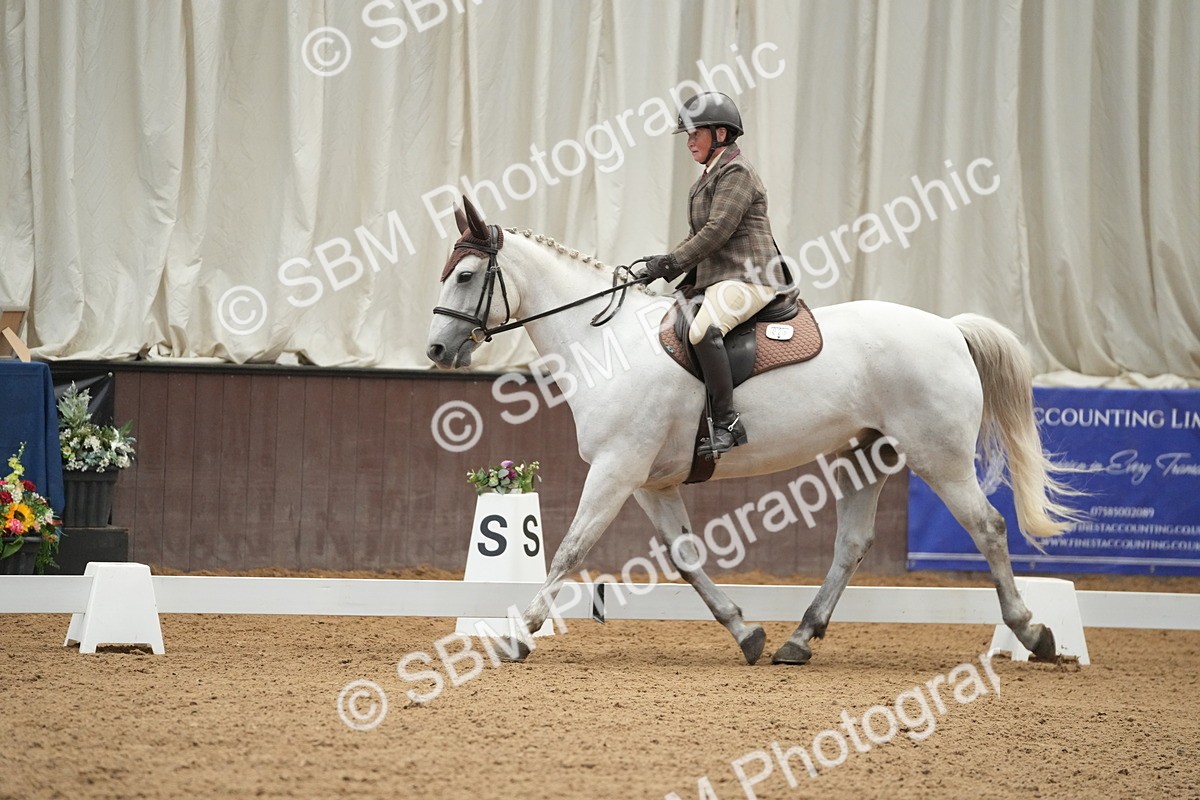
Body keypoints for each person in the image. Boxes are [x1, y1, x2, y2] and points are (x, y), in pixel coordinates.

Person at [636, 92, 782, 458]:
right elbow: (696, 235)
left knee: (703, 330)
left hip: (749, 277)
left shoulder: (737, 172)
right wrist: (660, 265)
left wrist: (669, 265)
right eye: (686, 135)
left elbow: (716, 232)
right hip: (721, 278)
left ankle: (727, 423)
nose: (688, 142)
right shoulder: (708, 176)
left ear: (720, 133)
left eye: (694, 134)